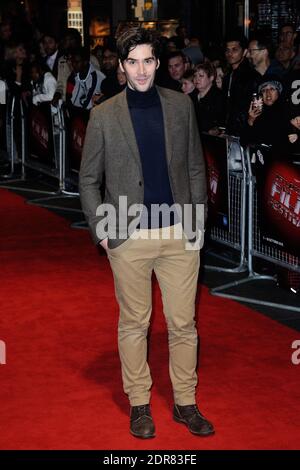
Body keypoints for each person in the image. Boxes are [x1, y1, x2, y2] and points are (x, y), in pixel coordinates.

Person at [79, 26, 214, 439]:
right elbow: (88, 179)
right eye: (132, 62)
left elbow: (195, 165)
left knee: (183, 323)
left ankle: (185, 402)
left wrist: (197, 222)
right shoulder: (104, 114)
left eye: (148, 61)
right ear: (121, 66)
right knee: (134, 323)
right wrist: (103, 231)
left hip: (178, 234)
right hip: (128, 235)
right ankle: (139, 401)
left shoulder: (180, 106)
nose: (141, 70)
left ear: (158, 63)